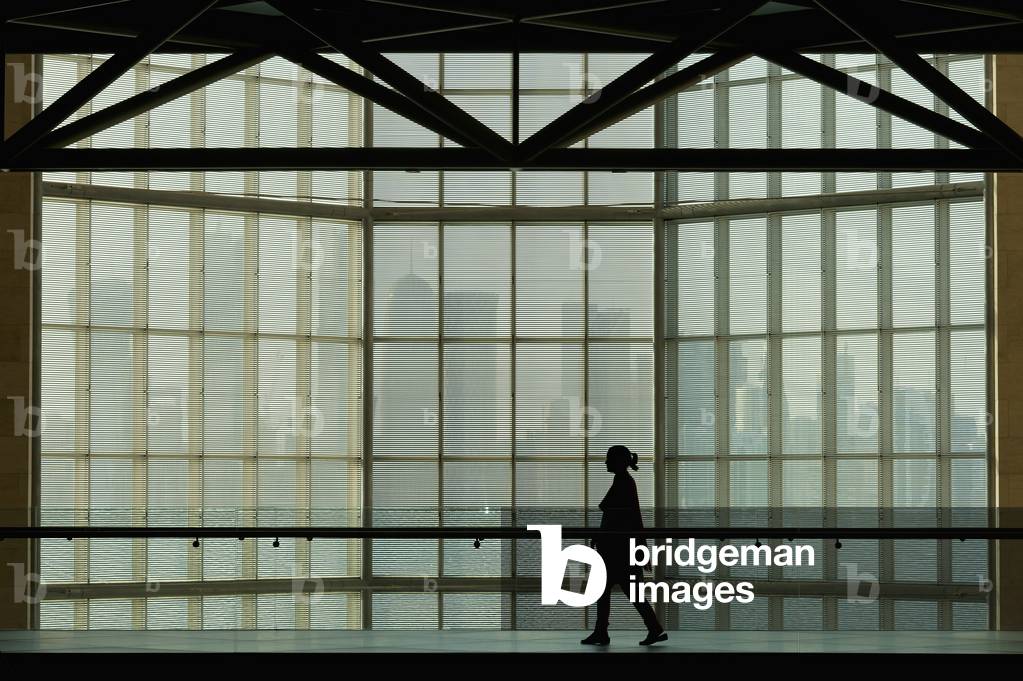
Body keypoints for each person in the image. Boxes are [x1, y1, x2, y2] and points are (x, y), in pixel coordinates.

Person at [580, 444, 668, 647]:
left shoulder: (624, 483)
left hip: (616, 551)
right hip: (620, 549)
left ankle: (604, 632)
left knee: (608, 591)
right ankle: (651, 628)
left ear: (618, 461)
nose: (605, 462)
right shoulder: (624, 481)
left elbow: (623, 517)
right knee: (627, 592)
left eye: (609, 459)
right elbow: (631, 517)